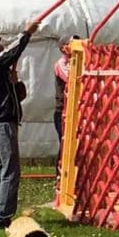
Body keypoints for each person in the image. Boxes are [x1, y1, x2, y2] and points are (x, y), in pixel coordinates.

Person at [0, 20, 39, 229]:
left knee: (1, 167)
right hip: (1, 124)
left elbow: (17, 95)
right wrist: (26, 33)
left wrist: (14, 81)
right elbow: (12, 52)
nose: (1, 45)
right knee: (11, 170)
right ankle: (1, 217)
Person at [53, 34, 81, 176]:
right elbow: (71, 79)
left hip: (79, 110)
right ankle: (60, 176)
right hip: (63, 111)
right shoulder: (61, 64)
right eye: (73, 43)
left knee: (79, 144)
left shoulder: (81, 62)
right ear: (64, 47)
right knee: (65, 144)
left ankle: (77, 175)